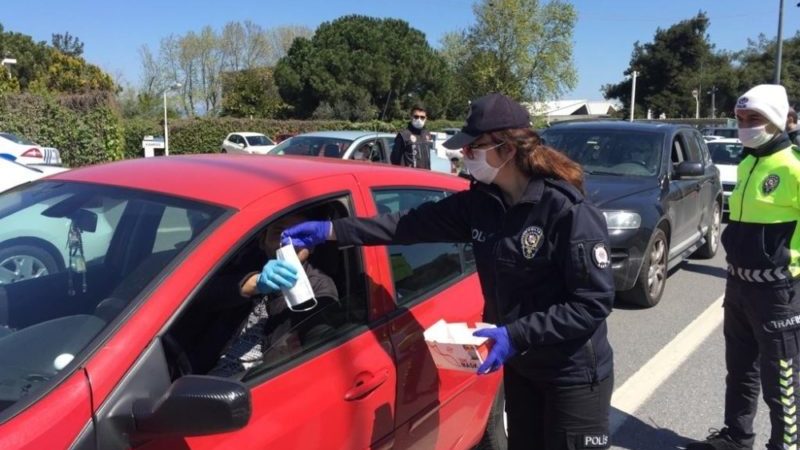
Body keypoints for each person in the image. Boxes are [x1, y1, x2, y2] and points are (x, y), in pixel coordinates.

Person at [282, 93, 615, 450]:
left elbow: (591, 304)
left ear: (506, 147)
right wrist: (331, 231)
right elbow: (405, 226)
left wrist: (515, 335)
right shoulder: (481, 203)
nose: (465, 156)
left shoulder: (566, 210)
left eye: (474, 148)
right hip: (522, 369)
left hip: (574, 375)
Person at [687, 84, 800, 450]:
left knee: (781, 378)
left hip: (779, 292)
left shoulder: (793, 165)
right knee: (740, 370)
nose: (745, 125)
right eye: (740, 118)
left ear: (779, 120)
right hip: (739, 285)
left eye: (755, 119)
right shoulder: (750, 161)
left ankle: (785, 445)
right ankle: (737, 437)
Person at [209, 213, 338, 377]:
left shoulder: (319, 287)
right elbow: (204, 296)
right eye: (279, 232)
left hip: (255, 381)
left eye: (298, 235)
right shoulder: (245, 266)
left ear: (311, 247)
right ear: (263, 242)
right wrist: (253, 284)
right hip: (213, 368)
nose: (287, 242)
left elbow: (320, 340)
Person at [391, 105, 432, 169]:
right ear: (411, 117)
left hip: (425, 175)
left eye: (422, 117)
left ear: (426, 118)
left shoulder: (427, 134)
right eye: (416, 117)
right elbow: (394, 159)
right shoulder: (403, 135)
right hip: (410, 176)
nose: (419, 119)